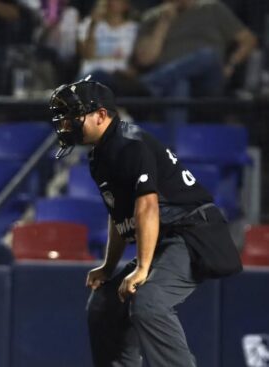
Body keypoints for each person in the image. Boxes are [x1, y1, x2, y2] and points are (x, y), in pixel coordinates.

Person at [48, 79, 242, 367]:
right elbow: (120, 216)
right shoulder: (101, 155)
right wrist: (109, 266)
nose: (66, 122)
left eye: (74, 114)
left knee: (149, 303)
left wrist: (141, 268)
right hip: (165, 237)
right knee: (104, 304)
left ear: (101, 115)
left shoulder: (130, 143)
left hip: (192, 232)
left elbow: (148, 206)